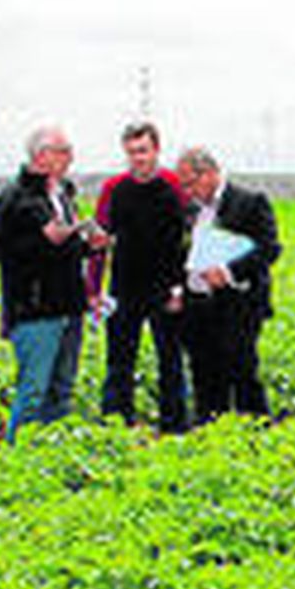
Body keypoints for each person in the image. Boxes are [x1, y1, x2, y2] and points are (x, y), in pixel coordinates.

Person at [0, 126, 107, 441]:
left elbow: (64, 251)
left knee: (62, 391)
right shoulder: (12, 198)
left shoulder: (63, 193)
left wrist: (89, 245)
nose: (70, 157)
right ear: (42, 155)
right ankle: (19, 462)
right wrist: (43, 240)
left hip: (69, 305)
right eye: (63, 150)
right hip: (35, 310)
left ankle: (52, 455)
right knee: (33, 394)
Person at [89, 122, 190, 432]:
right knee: (119, 363)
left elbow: (194, 240)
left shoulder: (176, 186)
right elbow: (98, 242)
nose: (138, 158)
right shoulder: (113, 189)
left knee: (171, 362)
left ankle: (175, 430)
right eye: (131, 152)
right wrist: (93, 290)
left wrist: (184, 288)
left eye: (143, 151)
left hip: (166, 289)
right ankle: (116, 428)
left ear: (156, 150)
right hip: (124, 288)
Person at [175, 147, 283, 425]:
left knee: (242, 371)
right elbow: (179, 254)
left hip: (238, 306)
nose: (188, 191)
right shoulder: (189, 211)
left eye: (191, 182)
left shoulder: (249, 202)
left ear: (210, 173)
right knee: (204, 375)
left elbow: (269, 249)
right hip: (197, 307)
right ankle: (210, 435)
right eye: (183, 184)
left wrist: (228, 272)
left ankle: (255, 436)